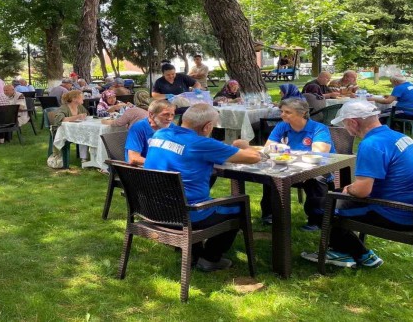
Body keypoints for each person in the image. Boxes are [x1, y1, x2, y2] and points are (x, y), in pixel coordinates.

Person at [301, 100, 413, 268]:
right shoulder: (400, 137)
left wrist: (350, 189)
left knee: (316, 206)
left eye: (345, 124)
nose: (345, 129)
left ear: (354, 122)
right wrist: (348, 189)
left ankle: (358, 254)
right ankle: (343, 249)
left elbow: (362, 191)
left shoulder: (371, 144)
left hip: (396, 212)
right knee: (333, 198)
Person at [144, 103, 262, 272]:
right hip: (185, 214)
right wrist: (244, 145)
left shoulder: (161, 133)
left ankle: (194, 250)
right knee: (239, 206)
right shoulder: (201, 144)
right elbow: (253, 157)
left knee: (203, 186)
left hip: (152, 208)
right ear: (207, 126)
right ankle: (210, 259)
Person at [246, 98, 335, 229]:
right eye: (282, 111)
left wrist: (284, 150)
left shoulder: (318, 128)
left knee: (316, 178)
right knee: (270, 175)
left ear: (303, 113)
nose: (282, 115)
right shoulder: (282, 126)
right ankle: (270, 215)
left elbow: (319, 153)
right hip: (290, 167)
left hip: (317, 168)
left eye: (288, 112)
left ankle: (316, 220)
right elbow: (268, 147)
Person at [124, 99, 176, 166]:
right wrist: (162, 164)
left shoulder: (171, 127)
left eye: (172, 115)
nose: (169, 119)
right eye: (165, 114)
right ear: (151, 114)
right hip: (143, 170)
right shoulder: (138, 128)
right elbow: (133, 158)